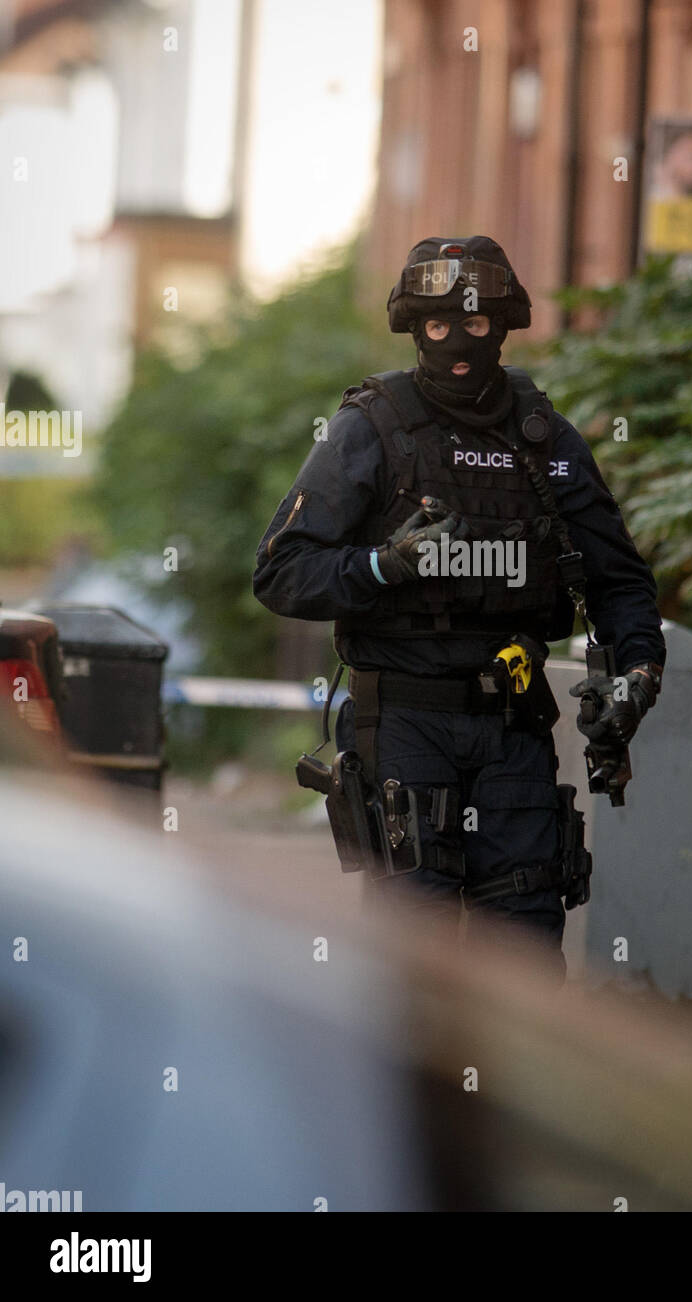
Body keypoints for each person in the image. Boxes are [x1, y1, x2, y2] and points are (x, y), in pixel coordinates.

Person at [253, 236, 665, 980]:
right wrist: (384, 565)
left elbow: (620, 580)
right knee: (416, 956)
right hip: (404, 727)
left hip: (513, 724)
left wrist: (636, 672)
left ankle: (518, 1097)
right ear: (415, 330)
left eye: (473, 325)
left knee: (526, 949)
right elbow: (282, 571)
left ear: (502, 327)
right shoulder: (370, 430)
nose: (456, 341)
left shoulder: (546, 440)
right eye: (438, 326)